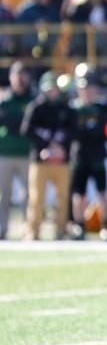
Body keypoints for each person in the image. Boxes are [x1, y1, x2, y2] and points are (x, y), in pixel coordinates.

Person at [21, 73, 75, 240]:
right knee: (37, 198)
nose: (52, 92)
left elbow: (73, 131)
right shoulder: (36, 107)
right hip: (40, 160)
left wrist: (60, 147)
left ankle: (60, 230)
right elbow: (27, 130)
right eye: (49, 89)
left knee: (62, 197)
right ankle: (33, 231)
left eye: (54, 89)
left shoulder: (65, 108)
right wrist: (44, 146)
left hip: (61, 160)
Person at [69, 70, 107, 241]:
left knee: (102, 192)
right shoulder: (74, 109)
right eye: (84, 88)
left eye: (90, 88)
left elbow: (102, 132)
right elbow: (74, 133)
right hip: (80, 155)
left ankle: (106, 225)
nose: (87, 92)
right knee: (79, 194)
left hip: (97, 156)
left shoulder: (101, 108)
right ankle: (79, 225)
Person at [0, 62, 33, 239]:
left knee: (28, 195)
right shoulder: (4, 99)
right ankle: (2, 229)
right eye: (16, 75)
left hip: (26, 152)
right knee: (3, 195)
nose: (20, 79)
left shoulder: (32, 100)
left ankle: (27, 229)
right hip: (5, 152)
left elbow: (29, 124)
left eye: (23, 75)